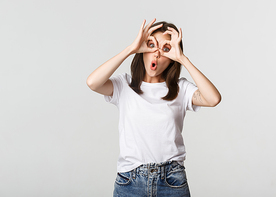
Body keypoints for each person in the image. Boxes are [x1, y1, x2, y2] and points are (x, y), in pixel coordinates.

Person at [87, 18, 221, 197]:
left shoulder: (181, 89)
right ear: (142, 49)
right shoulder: (124, 85)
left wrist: (183, 59)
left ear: (172, 58)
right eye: (151, 45)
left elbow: (213, 99)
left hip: (172, 181)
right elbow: (92, 82)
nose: (156, 53)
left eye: (166, 49)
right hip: (130, 181)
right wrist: (130, 49)